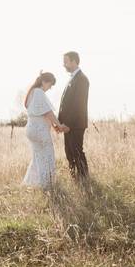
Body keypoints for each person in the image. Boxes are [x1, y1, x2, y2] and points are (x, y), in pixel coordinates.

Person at [21, 71, 68, 189]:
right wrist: (59, 125)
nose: (50, 88)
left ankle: (32, 183)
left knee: (38, 157)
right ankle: (47, 185)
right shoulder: (39, 92)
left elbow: (41, 113)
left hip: (32, 129)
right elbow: (47, 112)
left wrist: (53, 126)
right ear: (43, 82)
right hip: (39, 130)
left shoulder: (31, 92)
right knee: (48, 157)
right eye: (50, 85)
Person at [58, 51, 90, 183]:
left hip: (75, 124)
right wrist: (60, 122)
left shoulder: (82, 79)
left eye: (66, 61)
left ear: (74, 61)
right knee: (69, 152)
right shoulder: (72, 78)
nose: (63, 64)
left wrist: (67, 124)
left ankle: (84, 180)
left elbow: (78, 104)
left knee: (77, 151)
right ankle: (74, 178)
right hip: (68, 124)